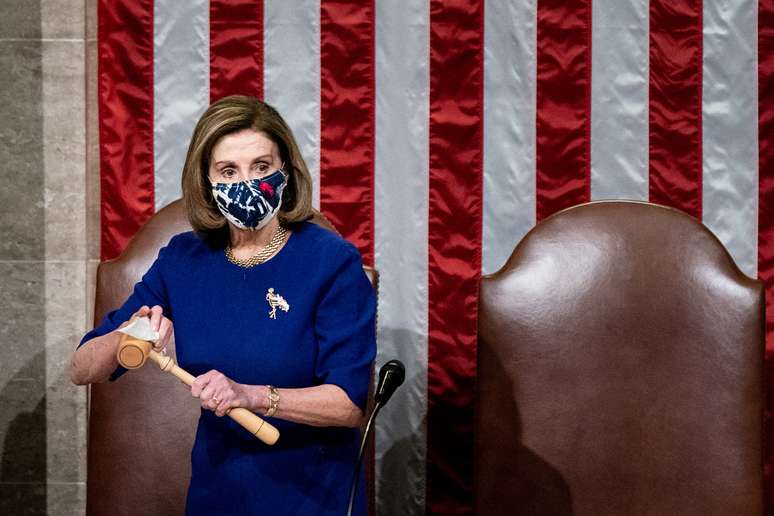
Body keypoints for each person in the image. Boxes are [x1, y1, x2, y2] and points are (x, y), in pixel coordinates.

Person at [70, 95, 376, 515]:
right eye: (229, 171)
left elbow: (347, 405)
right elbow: (82, 368)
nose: (247, 183)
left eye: (262, 167)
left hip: (311, 492)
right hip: (218, 491)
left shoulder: (331, 261)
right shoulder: (183, 260)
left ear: (285, 171)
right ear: (208, 183)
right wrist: (128, 335)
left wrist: (251, 396)